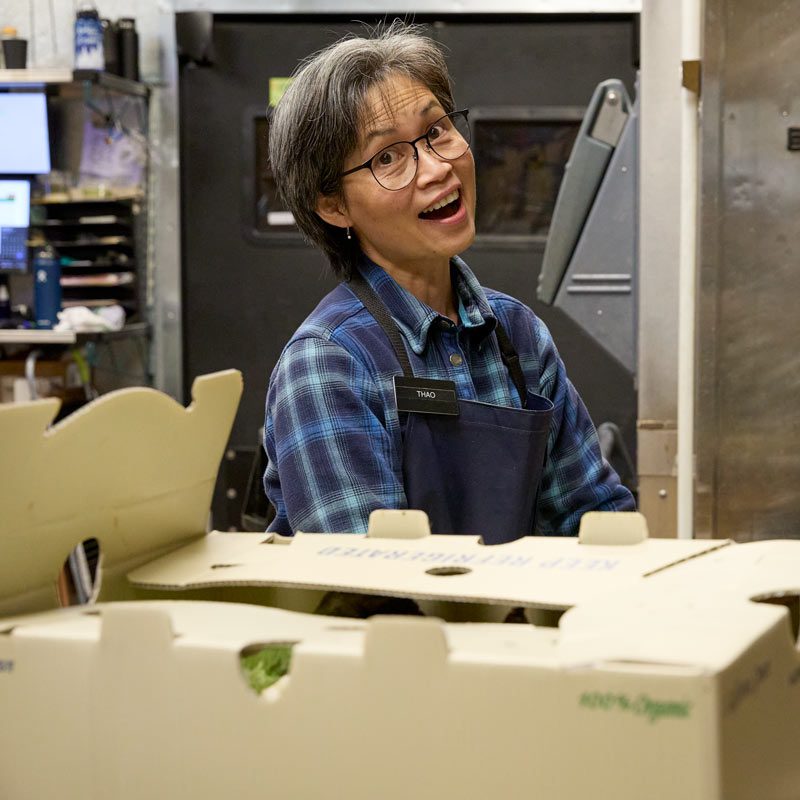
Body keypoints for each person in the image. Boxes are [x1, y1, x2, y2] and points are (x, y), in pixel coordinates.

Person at [263, 24, 634, 541]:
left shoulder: (517, 335)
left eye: (436, 130)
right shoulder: (329, 363)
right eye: (387, 157)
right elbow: (361, 580)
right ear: (333, 206)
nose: (437, 168)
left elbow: (596, 520)